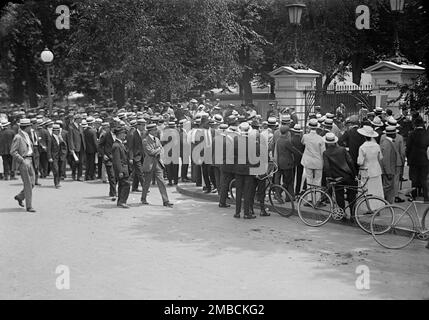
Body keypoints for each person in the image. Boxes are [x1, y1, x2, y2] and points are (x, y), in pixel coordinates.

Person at [322, 132, 357, 219]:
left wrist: (329, 178)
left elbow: (327, 167)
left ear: (327, 142)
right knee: (351, 195)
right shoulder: (342, 149)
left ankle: (343, 213)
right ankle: (353, 214)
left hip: (337, 178)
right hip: (348, 176)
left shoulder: (326, 153)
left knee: (339, 196)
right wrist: (354, 174)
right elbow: (350, 162)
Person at [141, 123, 173, 207]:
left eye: (156, 130)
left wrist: (158, 150)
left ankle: (166, 201)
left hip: (158, 163)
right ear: (150, 131)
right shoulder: (145, 140)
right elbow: (151, 152)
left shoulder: (157, 139)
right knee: (147, 183)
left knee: (161, 182)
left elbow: (161, 150)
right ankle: (143, 198)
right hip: (149, 164)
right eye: (154, 130)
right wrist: (158, 149)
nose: (156, 131)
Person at [10, 118, 36, 212]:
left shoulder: (27, 135)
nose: (31, 127)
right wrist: (22, 160)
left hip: (30, 160)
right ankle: (29, 206)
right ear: (27, 127)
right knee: (28, 184)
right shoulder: (18, 137)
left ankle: (20, 197)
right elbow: (13, 151)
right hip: (24, 161)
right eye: (30, 125)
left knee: (32, 183)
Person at [357, 126, 384, 203]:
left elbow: (360, 162)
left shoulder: (362, 147)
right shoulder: (377, 145)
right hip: (376, 169)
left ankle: (369, 207)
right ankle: (378, 206)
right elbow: (380, 157)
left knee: (367, 190)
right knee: (377, 190)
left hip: (367, 171)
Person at [406, 116, 429, 200]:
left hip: (414, 159)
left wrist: (408, 157)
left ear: (415, 124)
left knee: (414, 179)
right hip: (424, 159)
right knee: (424, 178)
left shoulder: (412, 134)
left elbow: (408, 147)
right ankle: (426, 196)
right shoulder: (427, 134)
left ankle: (414, 196)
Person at [301, 118, 325, 188]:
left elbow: (302, 143)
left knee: (309, 179)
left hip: (308, 161)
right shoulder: (321, 139)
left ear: (309, 127)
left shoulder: (305, 137)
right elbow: (323, 152)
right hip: (318, 161)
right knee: (318, 180)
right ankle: (317, 198)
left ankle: (309, 197)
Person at [112, 127, 131, 208]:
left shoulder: (120, 144)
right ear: (119, 134)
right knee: (126, 185)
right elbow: (117, 160)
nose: (125, 135)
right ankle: (122, 201)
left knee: (122, 185)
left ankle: (121, 201)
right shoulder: (116, 145)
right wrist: (120, 171)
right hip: (122, 169)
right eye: (123, 133)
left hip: (124, 168)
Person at [379, 126, 399, 204]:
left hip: (389, 169)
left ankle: (388, 202)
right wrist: (388, 171)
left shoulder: (387, 142)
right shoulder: (387, 144)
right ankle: (381, 201)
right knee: (387, 187)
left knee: (389, 187)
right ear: (392, 134)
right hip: (388, 169)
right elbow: (386, 159)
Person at [98, 122, 117, 201]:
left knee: (116, 176)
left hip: (116, 158)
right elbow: (100, 145)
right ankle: (113, 193)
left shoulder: (119, 135)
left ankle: (112, 191)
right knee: (111, 176)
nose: (114, 129)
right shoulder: (106, 135)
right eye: (113, 128)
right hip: (108, 158)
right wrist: (103, 154)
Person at [48, 124, 68, 188]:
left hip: (61, 156)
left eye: (58, 130)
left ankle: (58, 181)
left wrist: (62, 141)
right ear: (53, 131)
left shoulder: (60, 138)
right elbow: (49, 148)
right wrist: (49, 157)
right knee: (56, 170)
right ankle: (56, 183)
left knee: (60, 169)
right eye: (56, 130)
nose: (57, 132)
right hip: (54, 156)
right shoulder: (50, 138)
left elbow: (64, 147)